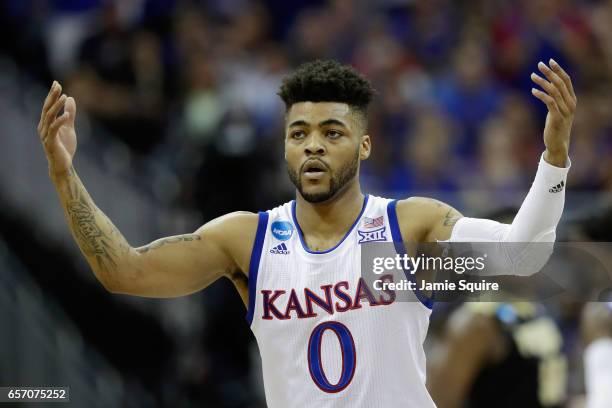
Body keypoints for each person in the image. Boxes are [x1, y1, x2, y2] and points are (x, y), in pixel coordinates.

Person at [37, 59, 576, 407]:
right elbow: (123, 271)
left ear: (364, 146)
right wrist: (65, 176)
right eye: (299, 133)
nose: (312, 145)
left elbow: (523, 257)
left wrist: (553, 157)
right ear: (286, 148)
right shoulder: (245, 240)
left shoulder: (408, 227)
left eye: (332, 132)